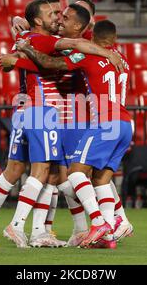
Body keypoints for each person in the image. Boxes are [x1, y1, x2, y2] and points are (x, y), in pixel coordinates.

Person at [0, 0, 122, 248]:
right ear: (39, 20)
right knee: (42, 173)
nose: (57, 16)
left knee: (39, 173)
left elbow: (38, 56)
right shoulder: (43, 40)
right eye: (52, 13)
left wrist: (18, 48)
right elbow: (69, 46)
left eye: (60, 13)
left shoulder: (32, 38)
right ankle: (17, 227)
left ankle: (2, 227)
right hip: (40, 111)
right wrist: (109, 52)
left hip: (37, 111)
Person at [16, 20, 133, 248]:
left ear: (93, 38)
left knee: (76, 173)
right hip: (125, 125)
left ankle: (98, 222)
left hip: (105, 122)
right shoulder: (123, 60)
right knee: (101, 180)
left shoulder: (87, 56)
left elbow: (52, 64)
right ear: (114, 38)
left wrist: (27, 49)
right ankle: (108, 236)